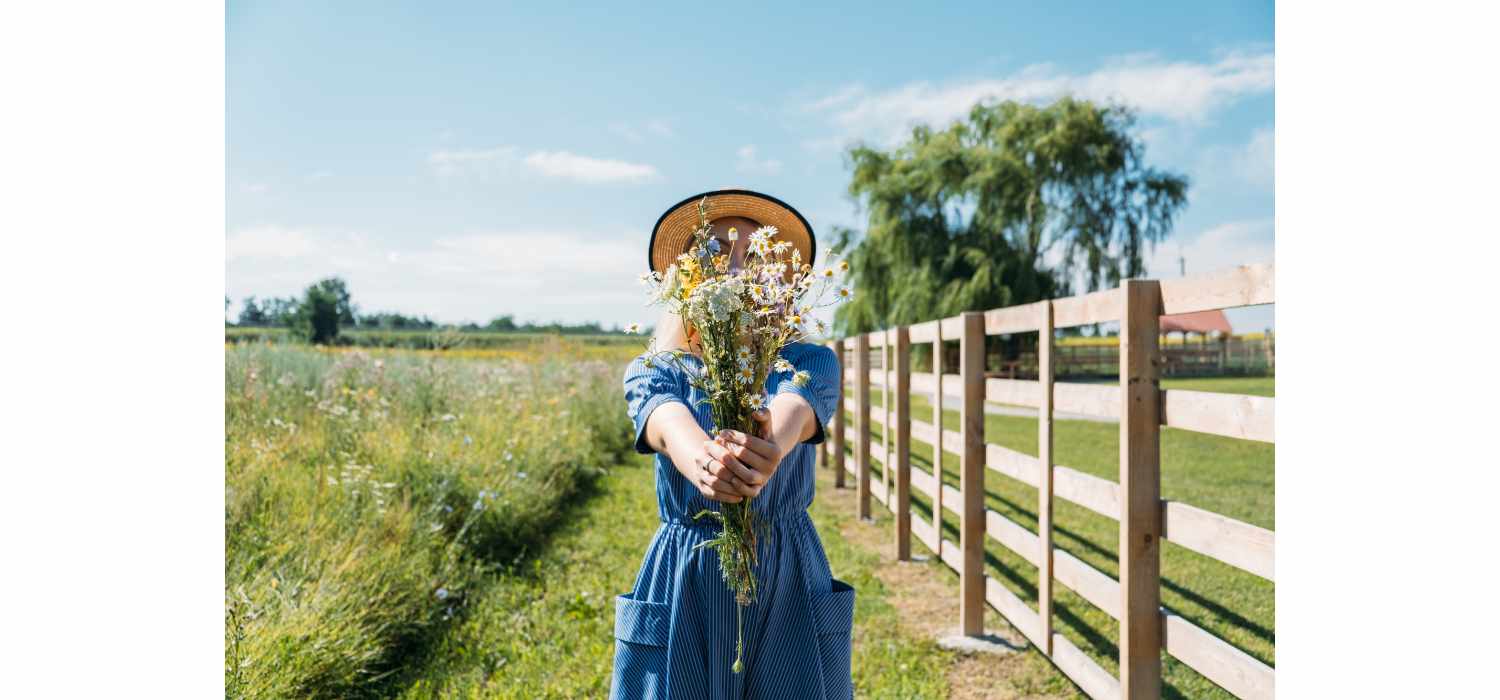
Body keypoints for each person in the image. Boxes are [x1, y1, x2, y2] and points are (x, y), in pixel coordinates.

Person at [611, 189, 853, 699]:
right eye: (716, 251)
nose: (738, 269)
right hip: (687, 575)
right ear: (687, 281)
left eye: (759, 255)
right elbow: (664, 416)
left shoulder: (809, 360)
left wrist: (770, 444)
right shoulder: (658, 368)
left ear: (785, 279)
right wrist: (700, 456)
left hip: (785, 577)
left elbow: (795, 409)